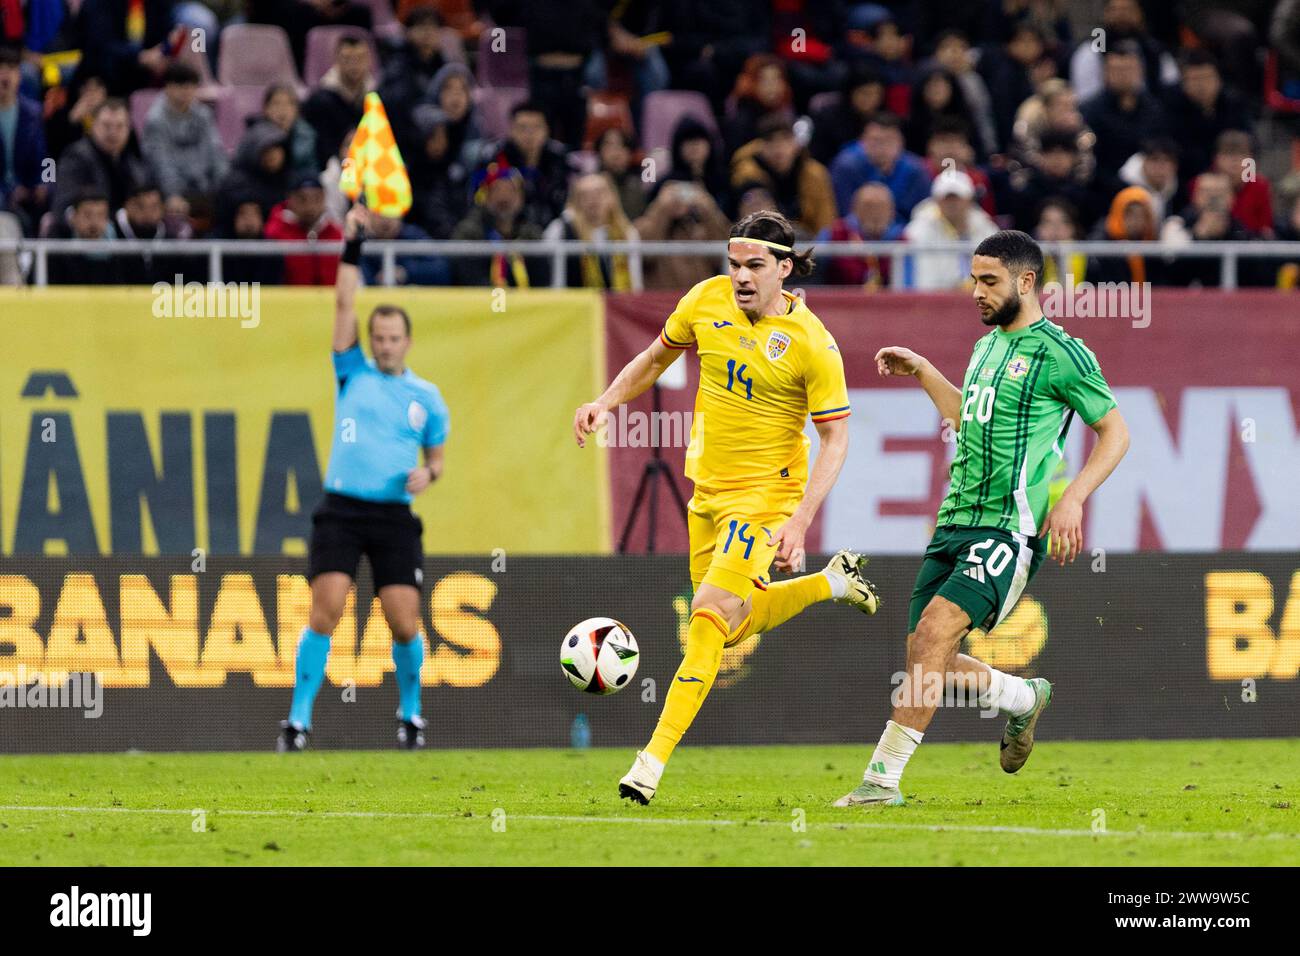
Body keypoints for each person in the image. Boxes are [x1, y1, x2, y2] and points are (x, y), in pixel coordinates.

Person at [573, 210, 883, 805]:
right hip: (707, 491)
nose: (740, 276)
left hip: (768, 496)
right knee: (736, 623)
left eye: (754, 266)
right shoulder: (704, 300)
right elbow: (657, 356)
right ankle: (830, 586)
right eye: (734, 264)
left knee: (708, 617)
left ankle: (650, 762)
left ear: (784, 269)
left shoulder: (812, 343)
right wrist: (607, 401)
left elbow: (837, 438)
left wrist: (800, 518)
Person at [836, 230, 1130, 807]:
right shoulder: (985, 347)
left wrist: (1072, 498)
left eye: (989, 281)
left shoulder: (1060, 353)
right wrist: (923, 370)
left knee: (934, 635)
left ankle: (880, 782)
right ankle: (1023, 698)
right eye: (974, 279)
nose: (976, 291)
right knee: (929, 657)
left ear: (1026, 282)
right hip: (954, 520)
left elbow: (1115, 431)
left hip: (1008, 528)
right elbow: (964, 420)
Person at [279, 203, 449, 753]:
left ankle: (411, 715)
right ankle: (299, 721)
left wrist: (429, 473)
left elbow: (437, 461)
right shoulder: (350, 371)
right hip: (342, 512)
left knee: (404, 623)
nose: (383, 344)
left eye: (393, 337)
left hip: (393, 517)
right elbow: (344, 299)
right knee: (324, 611)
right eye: (377, 336)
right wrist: (352, 243)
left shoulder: (428, 399)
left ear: (408, 341)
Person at [140, 61, 227, 218]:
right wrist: (172, 194)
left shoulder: (203, 115)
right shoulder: (156, 120)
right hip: (171, 191)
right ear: (167, 87)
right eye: (180, 86)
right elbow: (160, 163)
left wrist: (224, 186)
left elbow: (215, 152)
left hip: (204, 186)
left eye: (190, 86)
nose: (185, 92)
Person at [729, 115, 835, 239]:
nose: (779, 148)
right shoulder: (746, 175)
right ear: (760, 145)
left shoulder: (815, 175)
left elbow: (826, 223)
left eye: (785, 139)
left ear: (795, 143)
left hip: (809, 245)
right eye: (771, 140)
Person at [52, 98, 155, 219]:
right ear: (93, 125)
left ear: (129, 129)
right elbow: (62, 206)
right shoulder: (76, 157)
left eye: (120, 126)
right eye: (106, 125)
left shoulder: (131, 161)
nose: (113, 132)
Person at [543, 173, 642, 291]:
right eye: (585, 195)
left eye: (599, 193)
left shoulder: (627, 232)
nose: (594, 200)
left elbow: (635, 282)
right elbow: (551, 279)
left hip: (617, 304)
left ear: (612, 197)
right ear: (575, 201)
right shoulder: (560, 230)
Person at [901, 170, 999, 290]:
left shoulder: (986, 229)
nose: (952, 204)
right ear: (936, 201)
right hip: (939, 300)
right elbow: (922, 279)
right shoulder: (919, 231)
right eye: (946, 199)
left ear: (969, 199)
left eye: (957, 198)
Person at [829, 112, 929, 220]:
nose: (881, 147)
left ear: (901, 142)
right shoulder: (845, 167)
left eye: (888, 141)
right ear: (862, 141)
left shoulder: (915, 170)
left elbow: (923, 212)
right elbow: (843, 212)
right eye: (875, 140)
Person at [301, 34, 375, 169]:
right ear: (336, 60)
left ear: (369, 60)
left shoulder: (378, 97)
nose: (354, 65)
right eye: (347, 59)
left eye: (360, 58)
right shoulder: (320, 100)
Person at [813, 182, 903, 287]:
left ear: (892, 211)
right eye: (868, 206)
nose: (875, 213)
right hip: (840, 300)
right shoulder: (833, 234)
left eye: (881, 207)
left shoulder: (903, 240)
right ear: (855, 209)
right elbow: (814, 271)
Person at [263, 174, 343, 285]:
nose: (310, 206)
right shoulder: (275, 232)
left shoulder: (335, 233)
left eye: (316, 198)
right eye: (302, 199)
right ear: (290, 199)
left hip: (329, 300)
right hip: (286, 300)